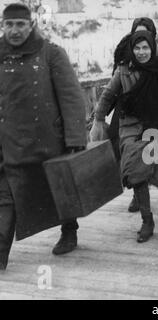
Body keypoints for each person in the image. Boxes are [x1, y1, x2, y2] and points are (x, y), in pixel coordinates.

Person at [0, 4, 87, 269]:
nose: (14, 30)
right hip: (8, 144)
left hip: (47, 141)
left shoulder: (51, 54)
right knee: (6, 197)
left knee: (58, 190)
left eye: (20, 24)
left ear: (31, 25)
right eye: (9, 24)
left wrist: (75, 139)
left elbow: (71, 98)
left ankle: (69, 230)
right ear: (2, 26)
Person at [90, 30, 158, 243]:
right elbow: (108, 96)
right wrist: (98, 119)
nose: (142, 52)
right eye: (137, 48)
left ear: (153, 49)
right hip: (132, 126)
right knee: (136, 172)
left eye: (146, 48)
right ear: (132, 49)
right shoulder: (124, 70)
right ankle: (147, 220)